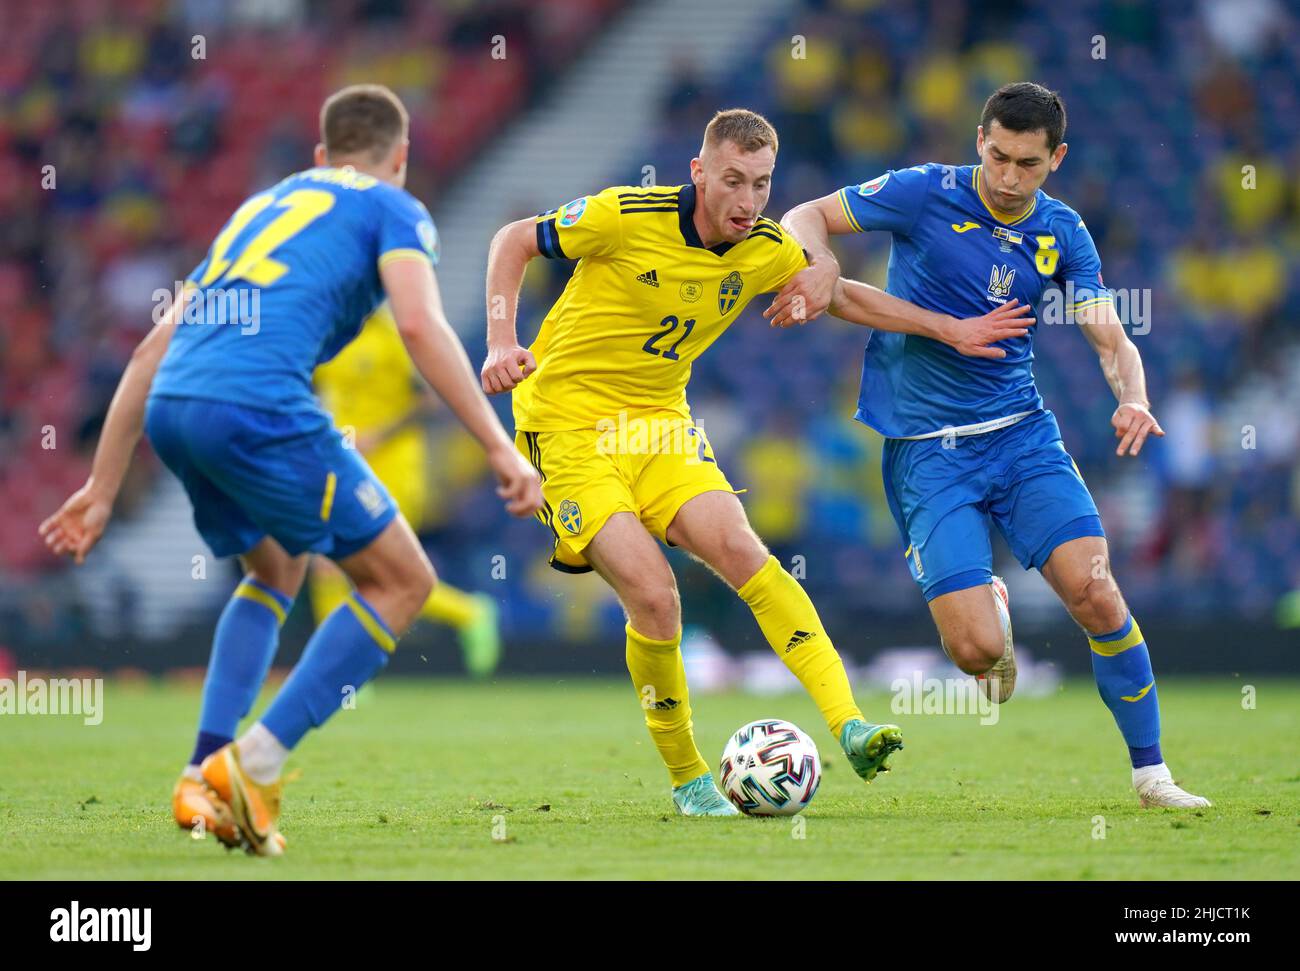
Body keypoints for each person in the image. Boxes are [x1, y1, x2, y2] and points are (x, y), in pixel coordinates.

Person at [480, 107, 1032, 816]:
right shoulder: (623, 214)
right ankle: (688, 777)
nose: (747, 202)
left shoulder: (763, 245)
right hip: (566, 425)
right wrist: (501, 338)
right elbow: (512, 239)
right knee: (653, 594)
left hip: (660, 426)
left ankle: (849, 723)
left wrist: (945, 326)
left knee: (745, 552)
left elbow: (837, 291)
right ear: (699, 172)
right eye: (733, 181)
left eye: (762, 184)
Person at [39, 84, 543, 855]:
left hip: (176, 407)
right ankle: (253, 766)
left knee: (275, 567)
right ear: (399, 159)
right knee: (402, 580)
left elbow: (149, 351)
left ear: (319, 156)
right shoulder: (391, 205)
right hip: (259, 406)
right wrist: (499, 445)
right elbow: (417, 321)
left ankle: (198, 770)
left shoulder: (257, 210)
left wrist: (102, 489)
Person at [774, 81, 1209, 808]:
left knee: (1097, 592)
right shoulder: (921, 193)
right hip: (926, 449)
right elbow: (803, 214)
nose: (1009, 178)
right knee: (975, 652)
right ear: (980, 139)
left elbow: (1109, 337)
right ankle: (992, 609)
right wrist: (818, 262)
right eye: (999, 157)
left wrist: (1133, 395)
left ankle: (1152, 774)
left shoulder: (1064, 233)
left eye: (1028, 165)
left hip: (1021, 436)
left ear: (1056, 159)